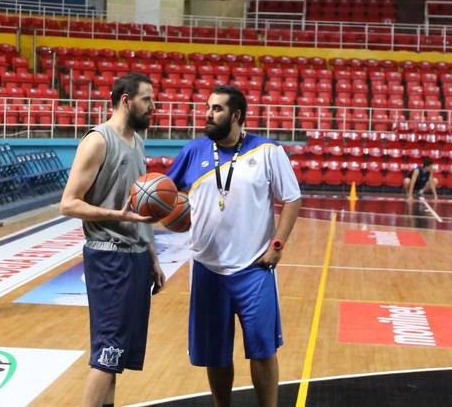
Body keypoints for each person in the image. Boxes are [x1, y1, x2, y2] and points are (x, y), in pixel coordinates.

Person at [166, 85, 302, 407]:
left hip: (254, 267)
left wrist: (277, 244)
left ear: (236, 115)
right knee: (215, 353)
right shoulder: (193, 151)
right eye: (208, 107)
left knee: (263, 350)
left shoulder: (267, 151)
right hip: (207, 267)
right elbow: (165, 194)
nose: (208, 114)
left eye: (217, 109)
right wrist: (167, 213)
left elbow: (292, 198)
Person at [59, 72, 166, 407]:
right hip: (109, 256)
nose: (153, 106)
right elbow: (68, 203)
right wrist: (118, 216)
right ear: (126, 100)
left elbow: (139, 210)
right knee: (107, 353)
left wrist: (152, 256)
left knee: (115, 356)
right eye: (147, 99)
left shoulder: (138, 141)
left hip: (136, 256)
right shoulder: (98, 141)